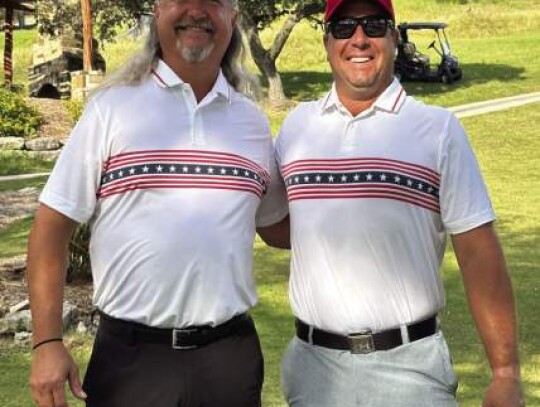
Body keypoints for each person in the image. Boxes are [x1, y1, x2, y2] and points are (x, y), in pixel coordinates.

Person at [27, 0, 289, 406]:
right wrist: (47, 342)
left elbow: (274, 225)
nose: (196, 11)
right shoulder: (110, 109)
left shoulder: (252, 123)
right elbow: (51, 228)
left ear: (232, 18)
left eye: (213, 2)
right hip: (132, 361)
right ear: (158, 10)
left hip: (229, 359)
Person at [275, 0, 524, 406]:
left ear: (393, 38)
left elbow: (479, 253)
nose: (359, 39)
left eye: (373, 26)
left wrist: (505, 373)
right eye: (344, 28)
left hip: (411, 369)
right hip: (313, 368)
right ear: (326, 42)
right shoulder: (296, 128)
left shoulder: (438, 130)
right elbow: (277, 223)